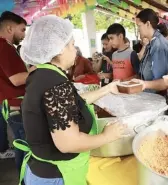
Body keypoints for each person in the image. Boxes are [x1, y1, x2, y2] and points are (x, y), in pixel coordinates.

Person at [18, 15, 126, 185]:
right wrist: (107, 136)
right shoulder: (54, 83)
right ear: (59, 49)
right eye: (72, 44)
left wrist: (106, 89)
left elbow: (69, 105)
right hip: (57, 175)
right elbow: (69, 143)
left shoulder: (42, 75)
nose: (75, 50)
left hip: (42, 170)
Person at [0, 11, 34, 170]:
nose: (24, 35)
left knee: (21, 144)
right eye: (22, 30)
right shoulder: (4, 47)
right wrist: (41, 71)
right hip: (14, 105)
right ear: (9, 28)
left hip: (11, 103)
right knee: (25, 144)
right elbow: (16, 79)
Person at [136, 8, 168, 83]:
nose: (138, 30)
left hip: (154, 93)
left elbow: (159, 78)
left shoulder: (158, 44)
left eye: (139, 26)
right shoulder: (152, 42)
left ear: (148, 24)